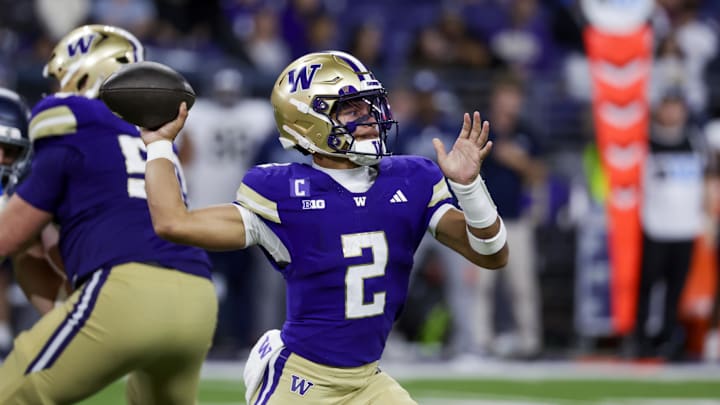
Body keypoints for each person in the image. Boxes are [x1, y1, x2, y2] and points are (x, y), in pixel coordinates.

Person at [141, 50, 508, 404]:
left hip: (367, 381)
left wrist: (469, 186)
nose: (368, 117)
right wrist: (159, 146)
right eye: (350, 108)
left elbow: (491, 254)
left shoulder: (412, 178)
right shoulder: (281, 191)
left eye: (368, 105)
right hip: (303, 382)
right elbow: (174, 223)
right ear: (308, 122)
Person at [0, 25, 217, 404]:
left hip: (126, 291)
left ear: (83, 71)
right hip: (197, 298)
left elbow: (11, 236)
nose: (54, 92)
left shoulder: (73, 116)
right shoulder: (157, 139)